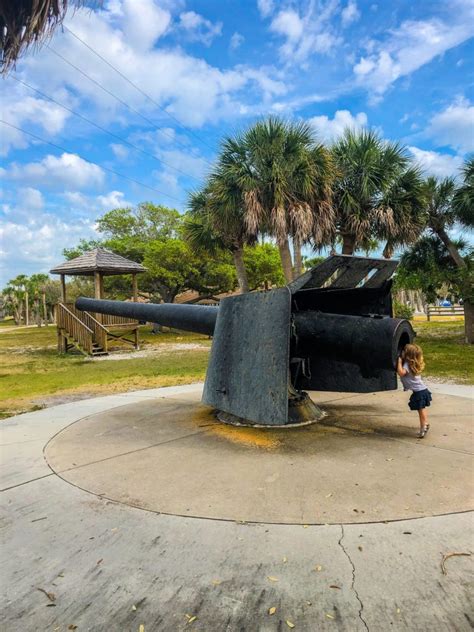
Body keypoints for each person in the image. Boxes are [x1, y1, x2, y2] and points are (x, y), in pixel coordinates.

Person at [397, 344, 432, 438]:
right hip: (421, 390)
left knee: (421, 410)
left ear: (407, 355)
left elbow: (401, 373)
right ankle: (425, 424)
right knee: (421, 409)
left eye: (403, 351)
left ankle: (424, 426)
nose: (402, 352)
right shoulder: (412, 364)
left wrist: (399, 361)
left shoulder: (407, 365)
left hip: (420, 392)